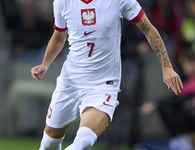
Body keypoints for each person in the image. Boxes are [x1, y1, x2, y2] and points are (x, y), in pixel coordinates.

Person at [31, 0, 183, 149]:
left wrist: (167, 67)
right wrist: (45, 64)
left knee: (83, 142)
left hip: (102, 85)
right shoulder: (62, 2)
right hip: (70, 82)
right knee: (49, 143)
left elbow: (148, 28)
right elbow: (59, 35)